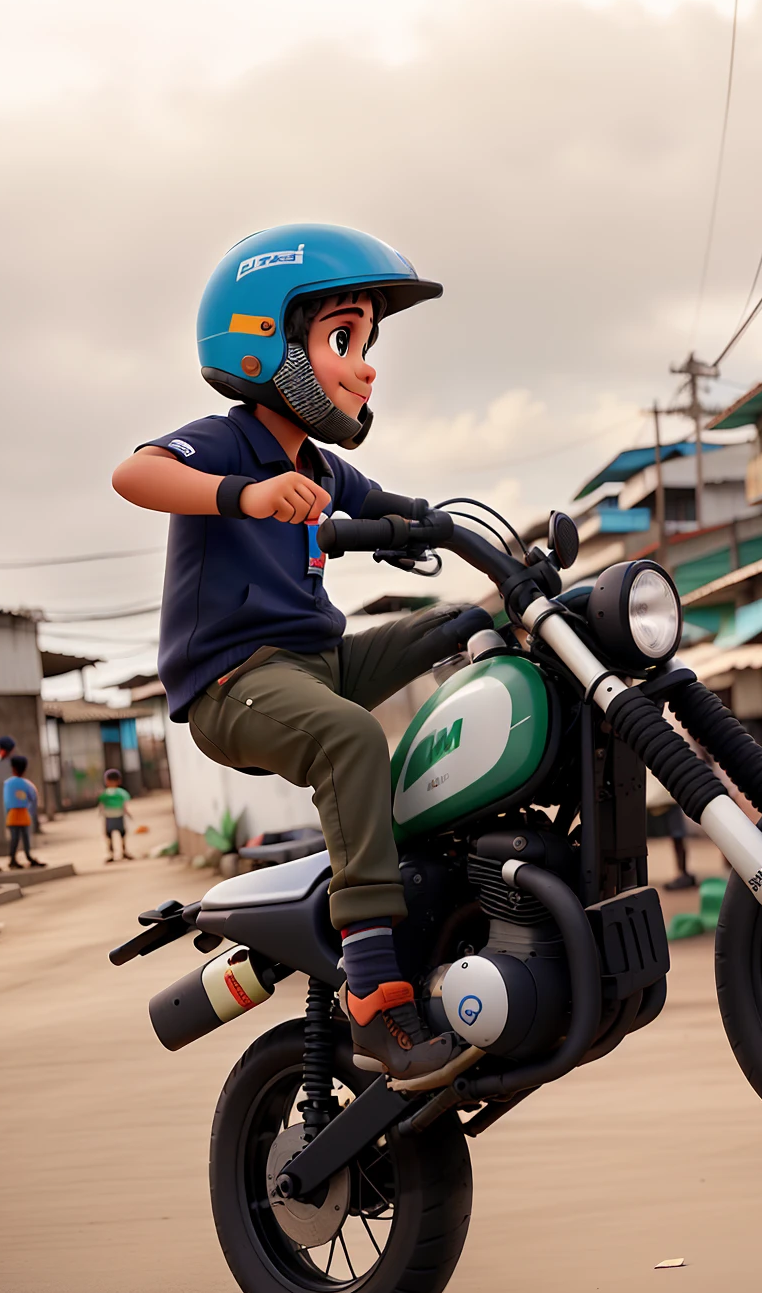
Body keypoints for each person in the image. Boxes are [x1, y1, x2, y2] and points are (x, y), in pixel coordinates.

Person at [110, 224, 491, 1089]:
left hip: (319, 661)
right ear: (267, 344)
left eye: (367, 345)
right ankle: (374, 997)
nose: (364, 367)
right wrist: (242, 496)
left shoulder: (320, 466)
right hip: (236, 683)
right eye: (343, 340)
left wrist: (457, 537)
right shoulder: (230, 442)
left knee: (462, 627)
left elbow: (396, 507)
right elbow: (134, 475)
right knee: (352, 738)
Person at [2, 754, 46, 869]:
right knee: (26, 837)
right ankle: (28, 856)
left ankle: (12, 859)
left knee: (14, 838)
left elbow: (6, 801)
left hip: (12, 814)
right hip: (24, 813)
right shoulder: (26, 784)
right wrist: (31, 811)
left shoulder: (8, 783)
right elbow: (33, 797)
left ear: (13, 768)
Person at [99, 766, 135, 863]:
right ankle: (123, 851)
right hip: (118, 815)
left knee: (109, 835)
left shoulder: (105, 793)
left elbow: (101, 804)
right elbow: (125, 805)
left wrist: (101, 812)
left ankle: (112, 853)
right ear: (119, 781)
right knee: (122, 834)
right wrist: (128, 813)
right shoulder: (121, 792)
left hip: (109, 816)